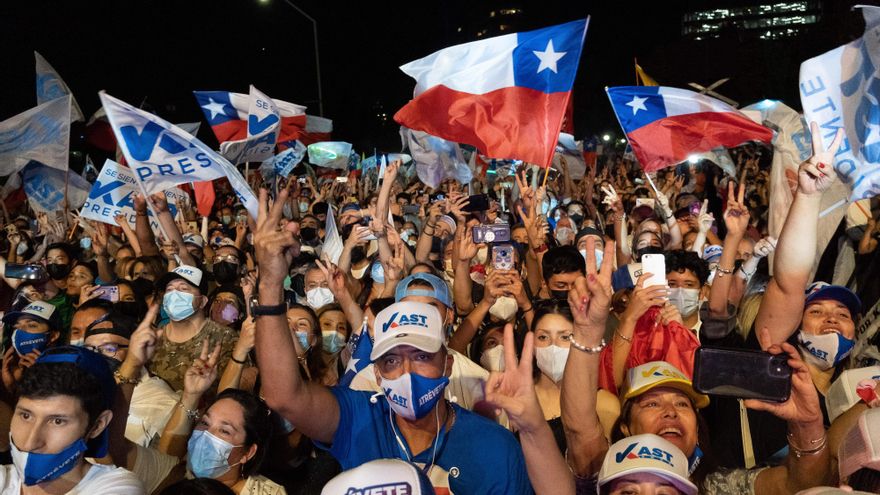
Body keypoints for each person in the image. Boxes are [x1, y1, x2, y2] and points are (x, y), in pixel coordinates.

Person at [252, 188, 532, 493]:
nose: (407, 373)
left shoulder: (494, 447)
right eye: (391, 360)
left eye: (422, 356)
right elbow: (284, 398)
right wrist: (269, 283)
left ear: (448, 363)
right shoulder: (358, 419)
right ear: (376, 373)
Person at [561, 239, 835, 494]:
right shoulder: (607, 473)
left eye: (683, 404)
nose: (670, 412)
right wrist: (588, 331)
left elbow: (798, 484)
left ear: (697, 429)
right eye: (652, 404)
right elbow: (579, 429)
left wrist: (808, 426)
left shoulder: (715, 486)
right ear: (625, 427)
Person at [1, 346, 144, 493]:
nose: (30, 443)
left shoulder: (117, 488)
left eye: (57, 421)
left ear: (97, 426)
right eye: (26, 416)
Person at [148, 265, 237, 393]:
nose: (174, 294)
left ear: (202, 301)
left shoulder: (225, 337)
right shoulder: (152, 338)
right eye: (169, 289)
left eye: (183, 289)